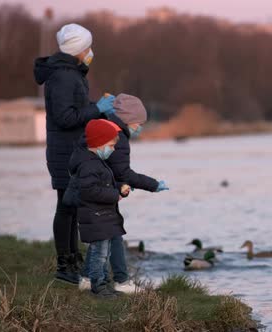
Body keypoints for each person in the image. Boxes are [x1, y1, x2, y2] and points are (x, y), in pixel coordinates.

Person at [34, 23, 116, 284]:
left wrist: (101, 109)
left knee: (73, 207)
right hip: (64, 151)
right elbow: (65, 117)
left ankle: (74, 260)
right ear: (79, 49)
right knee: (65, 207)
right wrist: (96, 109)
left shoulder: (72, 73)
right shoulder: (63, 76)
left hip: (73, 149)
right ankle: (65, 266)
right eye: (88, 46)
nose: (91, 51)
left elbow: (78, 109)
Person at [79, 94, 168, 293]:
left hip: (101, 190)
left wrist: (120, 184)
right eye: (139, 123)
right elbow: (122, 172)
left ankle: (87, 278)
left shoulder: (105, 127)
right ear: (128, 120)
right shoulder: (117, 137)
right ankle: (121, 281)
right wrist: (153, 185)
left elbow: (111, 169)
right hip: (102, 193)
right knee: (113, 233)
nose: (141, 127)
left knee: (102, 236)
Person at [69, 119, 130, 298]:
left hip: (103, 216)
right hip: (95, 217)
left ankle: (103, 283)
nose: (112, 149)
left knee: (105, 252)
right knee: (99, 254)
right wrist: (114, 195)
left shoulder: (97, 162)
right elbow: (90, 191)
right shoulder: (88, 165)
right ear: (98, 143)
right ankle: (98, 286)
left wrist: (120, 188)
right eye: (111, 145)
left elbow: (103, 184)